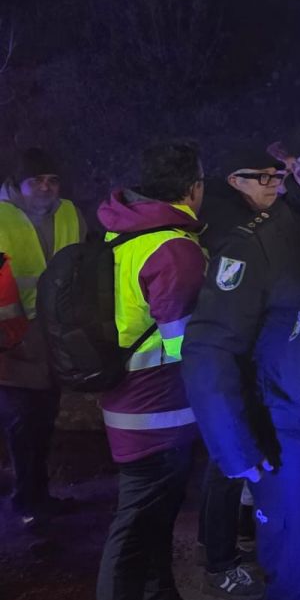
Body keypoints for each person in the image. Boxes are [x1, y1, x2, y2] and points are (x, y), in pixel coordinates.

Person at [182, 114, 300, 600]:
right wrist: (234, 449)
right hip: (293, 446)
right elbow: (210, 347)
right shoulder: (258, 244)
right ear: (297, 171)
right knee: (292, 580)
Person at [95, 141, 208, 600]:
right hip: (158, 411)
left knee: (153, 520)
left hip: (125, 398)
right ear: (193, 187)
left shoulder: (125, 233)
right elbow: (187, 347)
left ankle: (161, 591)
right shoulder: (173, 247)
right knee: (136, 528)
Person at [194, 147, 284, 598]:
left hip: (237, 364)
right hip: (229, 367)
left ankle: (229, 539)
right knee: (227, 464)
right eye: (261, 177)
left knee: (232, 460)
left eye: (276, 176)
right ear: (234, 180)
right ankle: (219, 558)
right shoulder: (231, 229)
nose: (273, 184)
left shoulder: (241, 220)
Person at [0, 148, 86, 528]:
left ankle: (38, 496)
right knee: (22, 422)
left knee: (44, 417)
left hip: (55, 332)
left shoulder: (69, 213)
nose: (46, 188)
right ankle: (25, 499)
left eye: (52, 180)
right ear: (17, 184)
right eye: (36, 180)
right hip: (12, 335)